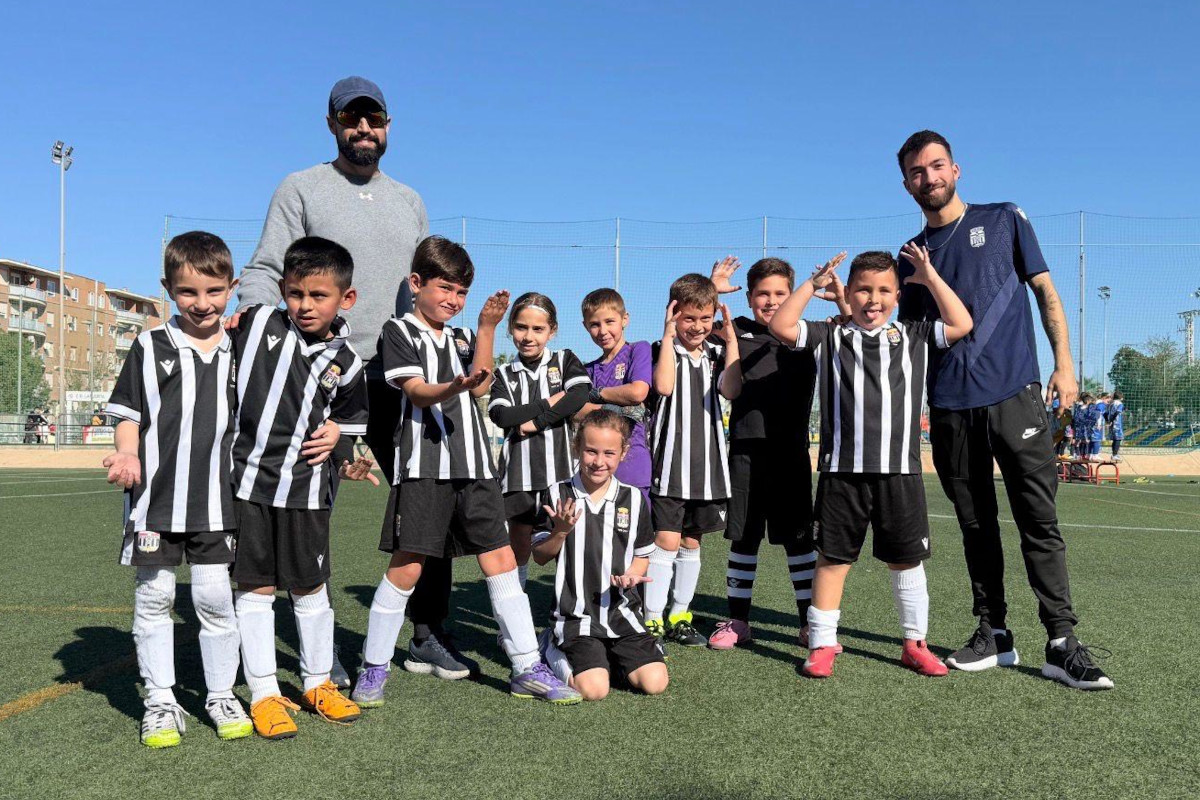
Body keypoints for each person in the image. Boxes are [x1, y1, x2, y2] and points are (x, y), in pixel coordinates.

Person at [235, 76, 458, 687]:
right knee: (311, 511)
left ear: (387, 126)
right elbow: (266, 268)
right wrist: (255, 323)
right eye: (352, 118)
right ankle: (321, 648)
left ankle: (428, 634)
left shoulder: (410, 200)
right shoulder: (300, 187)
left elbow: (424, 284)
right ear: (332, 124)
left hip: (402, 375)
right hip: (324, 377)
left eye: (374, 119)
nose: (364, 128)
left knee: (428, 502)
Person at [896, 130, 1112, 690]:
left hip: (1015, 393)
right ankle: (994, 633)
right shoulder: (910, 256)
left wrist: (1065, 364)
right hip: (950, 406)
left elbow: (1044, 290)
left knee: (1039, 520)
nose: (929, 177)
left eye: (937, 166)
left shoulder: (1004, 219)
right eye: (917, 171)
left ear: (956, 169)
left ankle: (1061, 642)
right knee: (976, 525)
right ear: (906, 184)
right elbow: (909, 337)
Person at [351, 236, 580, 707]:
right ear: (416, 284)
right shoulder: (398, 330)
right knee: (407, 568)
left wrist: (486, 327)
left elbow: (481, 385)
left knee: (500, 562)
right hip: (424, 469)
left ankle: (526, 667)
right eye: (445, 289)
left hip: (476, 467)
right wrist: (451, 386)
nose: (453, 300)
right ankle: (373, 667)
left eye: (461, 293)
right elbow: (416, 391)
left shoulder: (460, 336)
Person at [770, 248, 970, 678]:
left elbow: (961, 323)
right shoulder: (830, 335)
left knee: (906, 561)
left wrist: (930, 276)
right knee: (832, 560)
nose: (873, 299)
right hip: (842, 472)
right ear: (849, 293)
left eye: (883, 290)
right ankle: (822, 644)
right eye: (863, 289)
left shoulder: (914, 334)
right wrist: (812, 284)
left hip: (900, 471)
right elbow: (781, 325)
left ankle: (915, 644)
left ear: (898, 295)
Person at [102, 232, 258, 747]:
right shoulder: (150, 345)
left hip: (218, 501)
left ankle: (220, 694)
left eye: (214, 291)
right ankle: (161, 700)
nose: (202, 303)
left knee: (214, 599)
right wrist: (128, 453)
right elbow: (128, 413)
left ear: (232, 287)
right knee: (155, 596)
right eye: (188, 291)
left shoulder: (240, 349)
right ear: (168, 289)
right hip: (156, 499)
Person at [230, 237, 370, 738]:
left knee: (310, 586)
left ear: (345, 299)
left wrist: (340, 439)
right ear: (282, 291)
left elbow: (349, 421)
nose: (305, 305)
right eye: (295, 293)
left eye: (318, 295)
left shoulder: (349, 363)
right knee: (256, 588)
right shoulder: (257, 324)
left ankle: (317, 682)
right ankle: (264, 692)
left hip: (308, 490)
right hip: (248, 484)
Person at [704, 256, 842, 651]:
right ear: (749, 297)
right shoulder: (733, 329)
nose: (771, 300)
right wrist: (711, 291)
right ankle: (738, 620)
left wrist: (839, 297)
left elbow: (856, 329)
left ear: (793, 295)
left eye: (780, 293)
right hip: (745, 451)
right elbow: (687, 320)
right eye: (763, 293)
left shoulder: (807, 335)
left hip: (790, 454)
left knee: (799, 541)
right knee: (743, 539)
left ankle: (807, 623)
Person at [530, 409, 669, 700]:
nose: (599, 461)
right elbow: (540, 556)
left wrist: (632, 575)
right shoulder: (557, 494)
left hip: (622, 614)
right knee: (594, 690)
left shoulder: (633, 498)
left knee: (655, 683)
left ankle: (605, 659)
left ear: (623, 453)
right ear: (577, 447)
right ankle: (549, 644)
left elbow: (642, 555)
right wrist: (560, 532)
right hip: (576, 617)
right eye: (591, 451)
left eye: (609, 453)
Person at [642, 274, 743, 648]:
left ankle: (679, 616)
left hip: (707, 470)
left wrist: (731, 341)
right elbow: (664, 386)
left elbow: (731, 389)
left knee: (691, 542)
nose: (697, 326)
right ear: (673, 314)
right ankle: (652, 619)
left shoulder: (716, 353)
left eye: (705, 318)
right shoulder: (660, 349)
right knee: (665, 541)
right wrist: (668, 334)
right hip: (669, 467)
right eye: (688, 318)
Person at [488, 292, 591, 587]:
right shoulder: (504, 373)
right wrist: (550, 402)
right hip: (518, 477)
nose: (528, 336)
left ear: (552, 331)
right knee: (518, 547)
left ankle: (567, 609)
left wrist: (535, 422)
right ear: (511, 328)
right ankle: (515, 610)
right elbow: (502, 416)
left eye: (538, 329)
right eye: (521, 327)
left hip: (561, 474)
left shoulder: (564, 359)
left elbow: (579, 395)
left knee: (565, 543)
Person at [576, 289, 653, 506]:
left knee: (636, 525)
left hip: (633, 464)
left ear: (624, 319)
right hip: (596, 469)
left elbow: (637, 392)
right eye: (594, 324)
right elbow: (575, 410)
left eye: (609, 321)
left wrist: (597, 394)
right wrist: (616, 409)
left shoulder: (638, 350)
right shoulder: (587, 369)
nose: (603, 331)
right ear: (585, 326)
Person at [1107, 391, 1125, 461]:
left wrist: (1109, 420)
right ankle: (1115, 455)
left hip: (1112, 424)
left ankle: (1114, 454)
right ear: (1121, 397)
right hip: (1117, 424)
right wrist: (1112, 420)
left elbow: (1107, 413)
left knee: (1115, 439)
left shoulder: (1111, 403)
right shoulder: (1120, 404)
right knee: (1118, 439)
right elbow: (1117, 412)